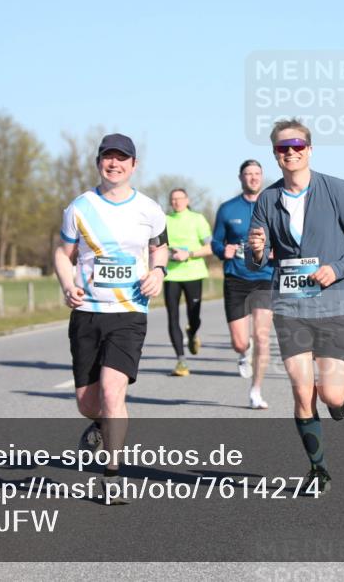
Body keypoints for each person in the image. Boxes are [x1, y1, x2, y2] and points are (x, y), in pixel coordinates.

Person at [248, 118, 344, 495]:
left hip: (334, 305)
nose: (290, 153)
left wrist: (336, 269)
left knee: (331, 395)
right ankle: (317, 468)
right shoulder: (268, 200)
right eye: (282, 149)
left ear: (309, 149)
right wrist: (256, 251)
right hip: (290, 307)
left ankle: (341, 402)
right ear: (275, 154)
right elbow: (256, 258)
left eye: (297, 147)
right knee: (302, 390)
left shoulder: (336, 190)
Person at [54, 133, 168, 498]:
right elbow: (62, 253)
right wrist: (67, 283)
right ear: (99, 162)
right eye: (108, 157)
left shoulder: (149, 209)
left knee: (112, 391)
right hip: (87, 312)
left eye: (122, 158)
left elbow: (160, 249)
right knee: (87, 402)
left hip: (129, 313)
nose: (114, 164)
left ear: (134, 165)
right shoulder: (79, 207)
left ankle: (113, 475)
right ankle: (101, 424)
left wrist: (158, 272)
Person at [211, 160, 274, 409]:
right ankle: (243, 352)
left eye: (257, 173)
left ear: (262, 177)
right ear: (240, 178)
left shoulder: (273, 207)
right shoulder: (228, 209)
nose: (253, 177)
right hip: (236, 279)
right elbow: (215, 242)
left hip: (264, 277)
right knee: (241, 341)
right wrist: (222, 250)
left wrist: (276, 251)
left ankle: (256, 391)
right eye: (248, 174)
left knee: (262, 336)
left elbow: (286, 238)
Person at [164, 188, 213, 377]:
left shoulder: (197, 219)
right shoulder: (165, 221)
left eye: (180, 198)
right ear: (170, 202)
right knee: (172, 317)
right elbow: (155, 247)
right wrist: (170, 254)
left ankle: (192, 333)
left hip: (193, 273)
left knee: (194, 316)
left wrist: (189, 254)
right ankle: (181, 360)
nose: (176, 202)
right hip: (171, 275)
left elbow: (210, 247)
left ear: (187, 200)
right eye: (173, 199)